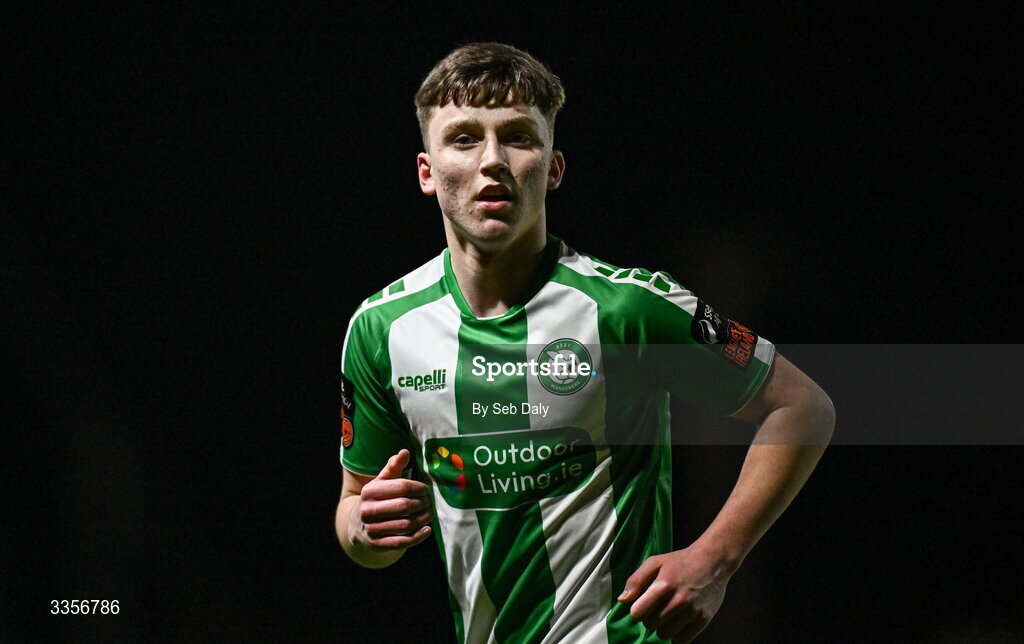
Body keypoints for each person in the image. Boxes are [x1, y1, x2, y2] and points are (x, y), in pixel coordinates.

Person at [335, 42, 834, 644]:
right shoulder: (381, 329)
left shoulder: (630, 307)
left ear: (553, 167)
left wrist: (714, 560)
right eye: (464, 138)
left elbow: (802, 406)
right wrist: (365, 530)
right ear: (426, 170)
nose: (492, 160)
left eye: (518, 136)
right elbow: (356, 513)